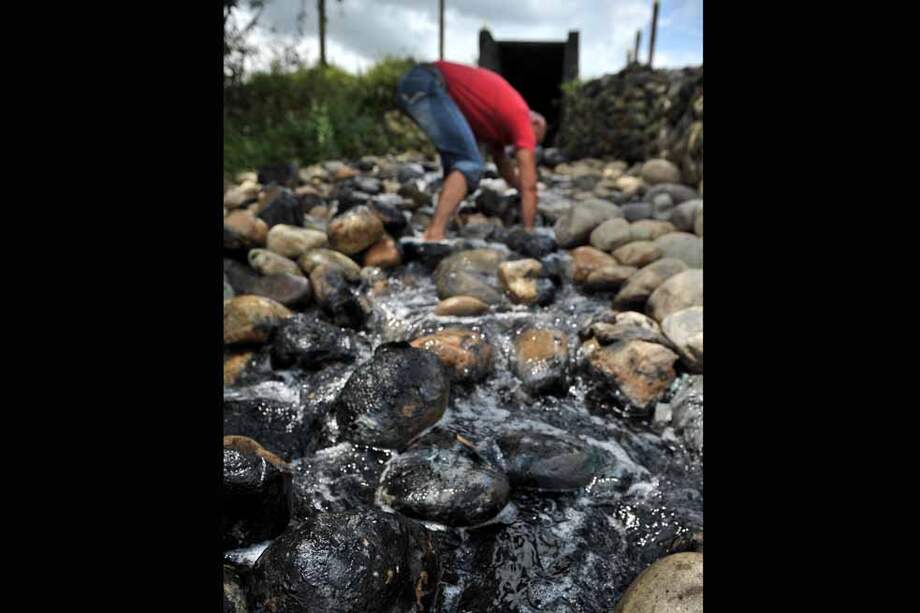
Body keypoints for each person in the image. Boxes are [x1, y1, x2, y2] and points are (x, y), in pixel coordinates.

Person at [395, 60, 546, 241]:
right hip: (429, 83)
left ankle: (439, 223)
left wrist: (518, 188)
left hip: (415, 83)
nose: (527, 144)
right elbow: (530, 186)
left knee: (456, 164)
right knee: (470, 163)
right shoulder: (521, 114)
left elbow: (502, 163)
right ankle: (434, 234)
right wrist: (529, 232)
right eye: (533, 140)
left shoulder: (499, 124)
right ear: (535, 124)